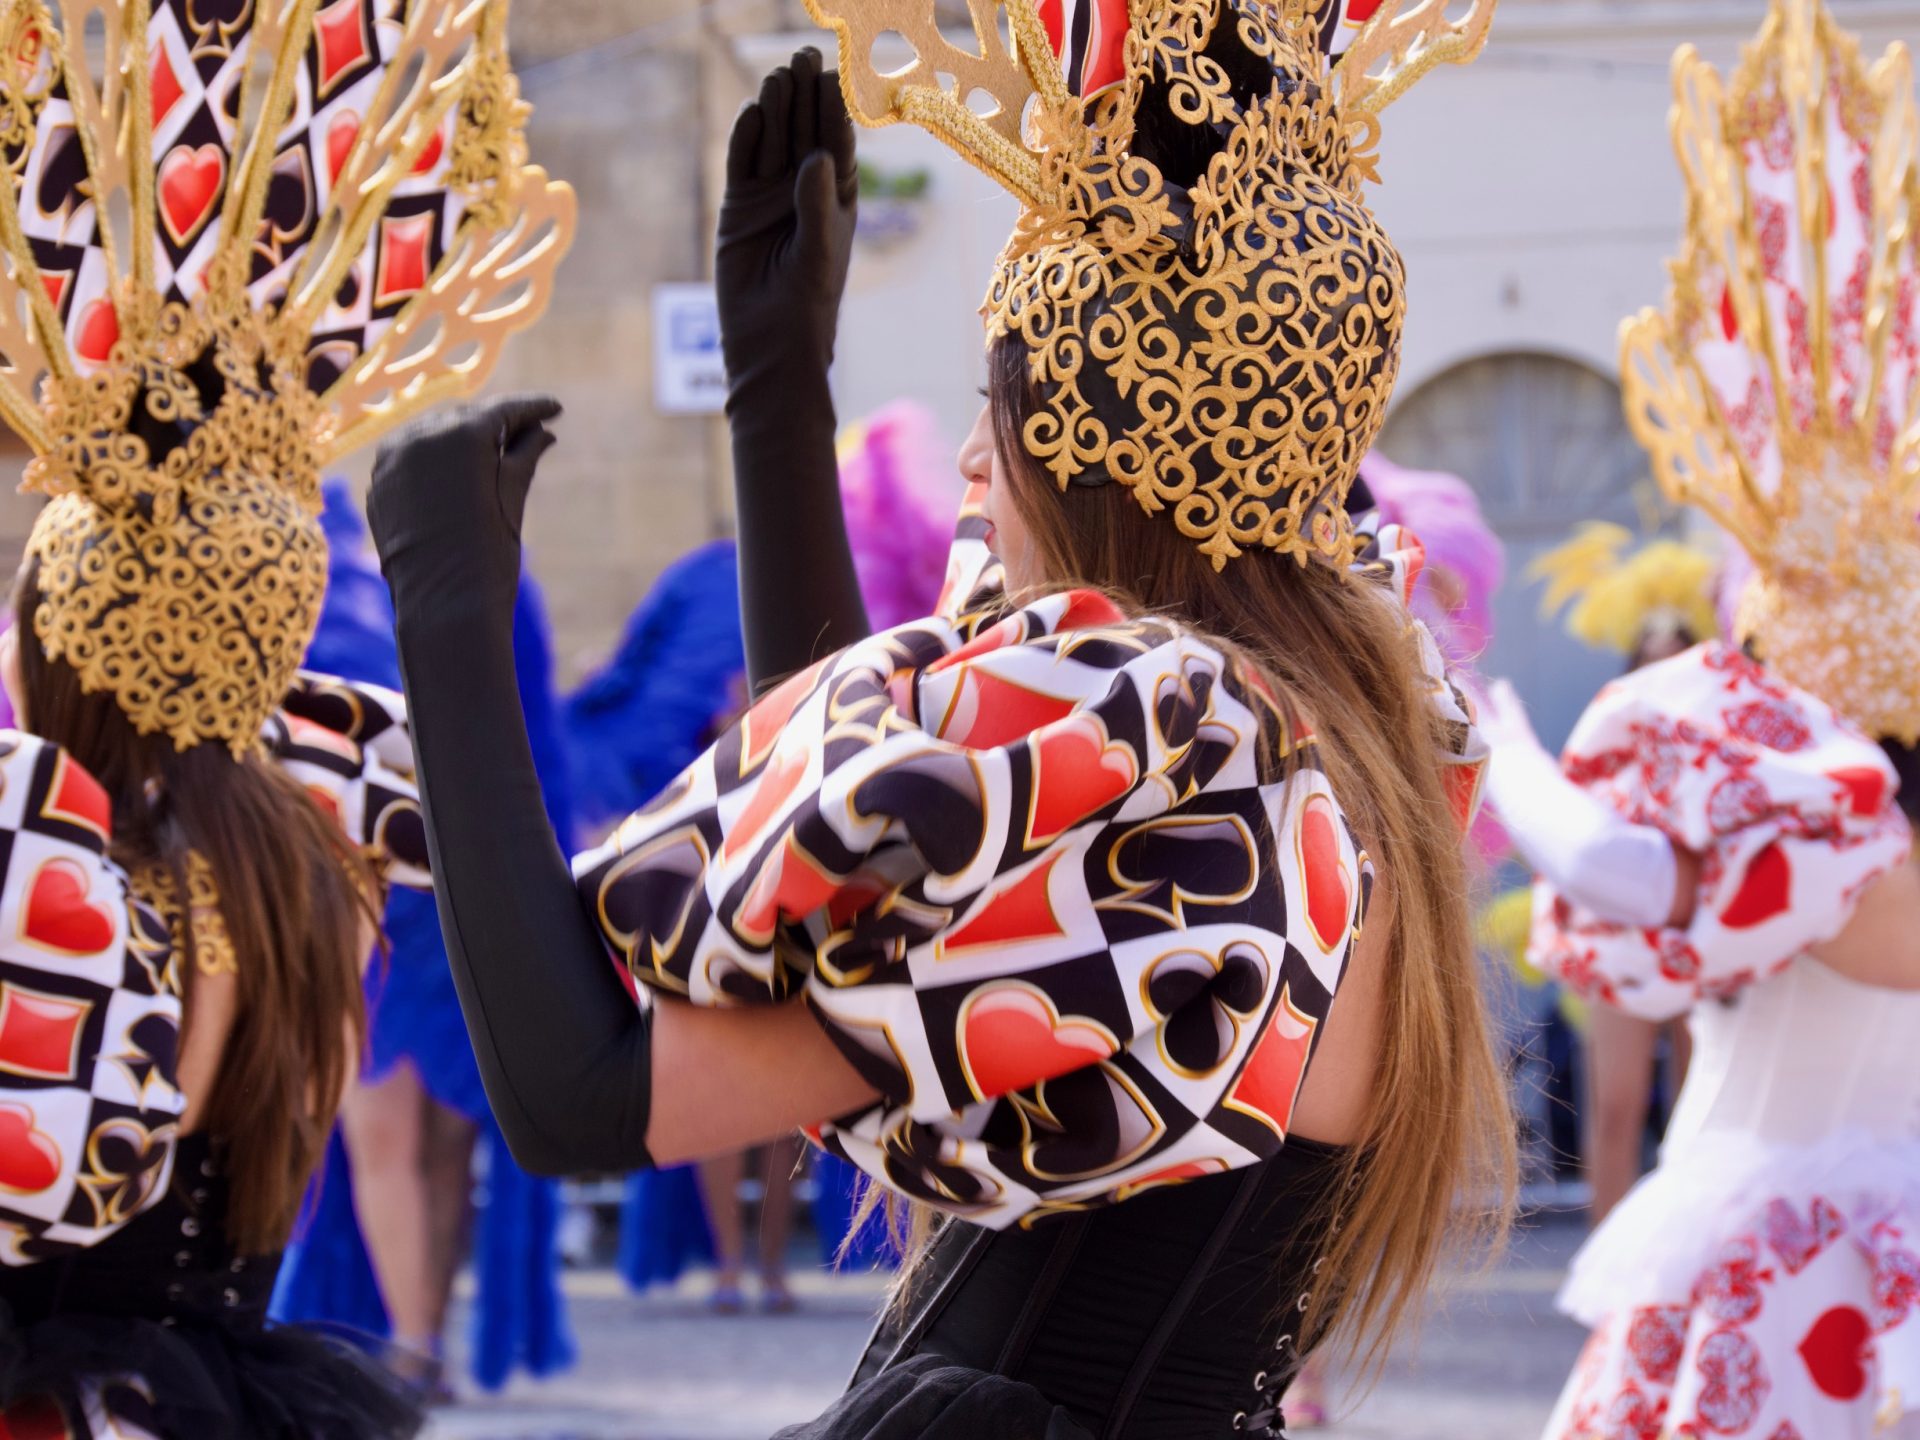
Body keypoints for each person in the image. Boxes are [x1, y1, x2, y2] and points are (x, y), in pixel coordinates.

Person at [370, 1, 1514, 1431]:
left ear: (1098, 463)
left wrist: (447, 603)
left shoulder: (1186, 748)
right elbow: (892, 822)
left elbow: (578, 1094)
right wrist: (778, 389)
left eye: (1004, 413)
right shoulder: (1352, 738)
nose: (973, 463)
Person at [0, 0, 570, 1431]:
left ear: (64, 638)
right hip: (226, 1377)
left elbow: (113, 1169)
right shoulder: (316, 853)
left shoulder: (111, 878)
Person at [1481, 4, 1920, 1434]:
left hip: (1776, 1264)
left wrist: (1493, 734)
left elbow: (1621, 876)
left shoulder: (1844, 849)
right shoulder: (1845, 842)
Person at [273, 482, 577, 1397]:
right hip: (403, 909)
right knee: (405, 1138)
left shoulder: (468, 591)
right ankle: (417, 1343)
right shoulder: (347, 590)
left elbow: (532, 739)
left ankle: (421, 1340)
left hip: (426, 908)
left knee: (419, 1142)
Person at [1524, 522, 1720, 1224]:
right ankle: (1611, 1287)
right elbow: (1574, 838)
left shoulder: (1723, 749)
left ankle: (1694, 1258)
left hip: (1702, 936)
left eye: (1675, 662)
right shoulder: (1605, 741)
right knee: (1615, 1107)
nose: (1660, 679)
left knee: (1700, 1117)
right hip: (1621, 939)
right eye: (1648, 663)